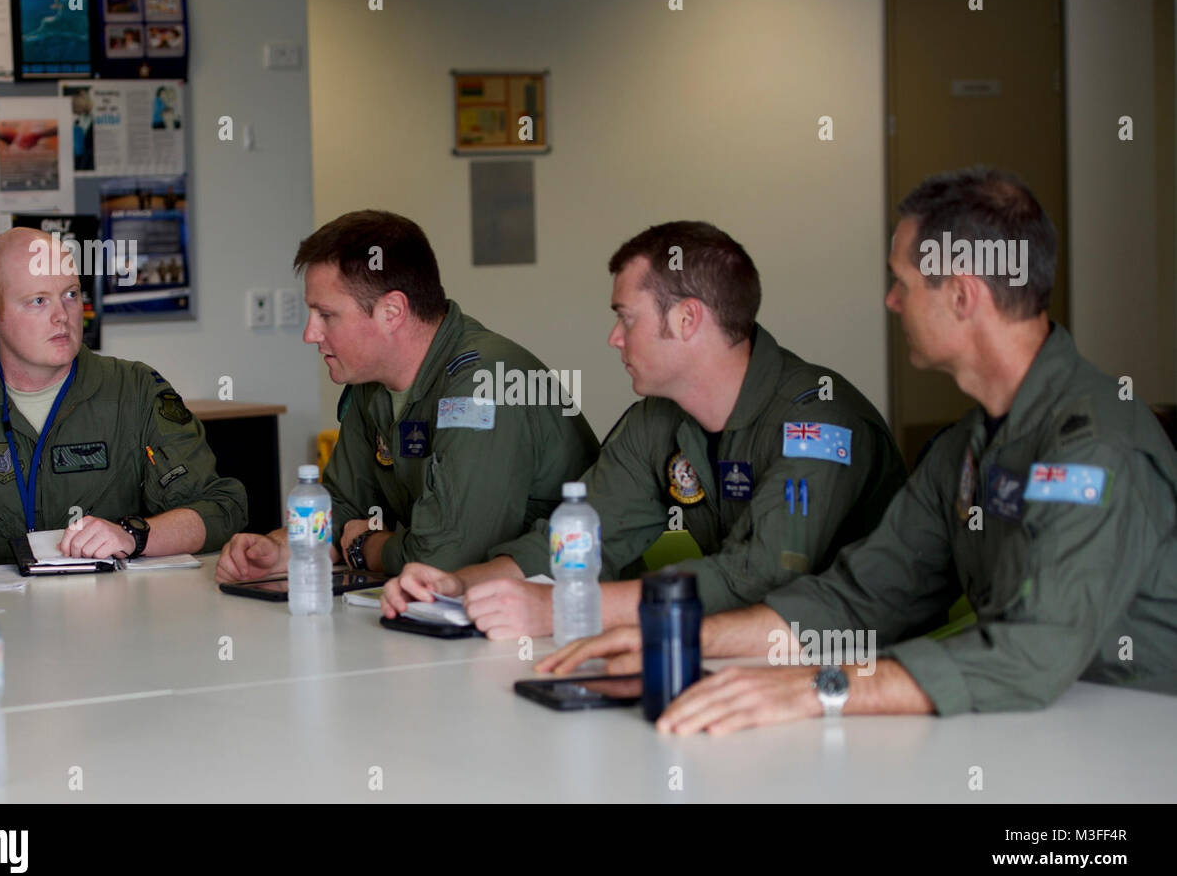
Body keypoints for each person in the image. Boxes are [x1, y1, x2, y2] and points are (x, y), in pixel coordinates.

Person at [540, 167, 1177, 733]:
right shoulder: (967, 447)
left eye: (902, 282)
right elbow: (862, 598)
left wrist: (822, 689)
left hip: (1138, 740)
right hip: (1038, 727)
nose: (891, 301)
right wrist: (676, 640)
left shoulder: (1093, 443)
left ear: (962, 295)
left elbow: (1034, 652)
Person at [383, 221, 907, 637]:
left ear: (686, 320)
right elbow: (575, 541)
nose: (614, 338)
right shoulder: (658, 419)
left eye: (626, 318)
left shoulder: (819, 421)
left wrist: (564, 608)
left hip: (858, 662)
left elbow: (765, 573)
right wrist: (457, 586)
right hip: (738, 651)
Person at [214, 210, 599, 582]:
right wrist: (282, 548)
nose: (310, 334)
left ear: (392, 311)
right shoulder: (372, 385)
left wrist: (369, 546)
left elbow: (446, 558)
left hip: (567, 612)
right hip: (466, 613)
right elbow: (344, 503)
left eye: (326, 315)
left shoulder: (485, 383)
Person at [0, 228, 248, 576]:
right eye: (38, 301)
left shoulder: (134, 391)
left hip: (112, 622)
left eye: (71, 294)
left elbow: (221, 509)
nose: (62, 316)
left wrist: (135, 535)